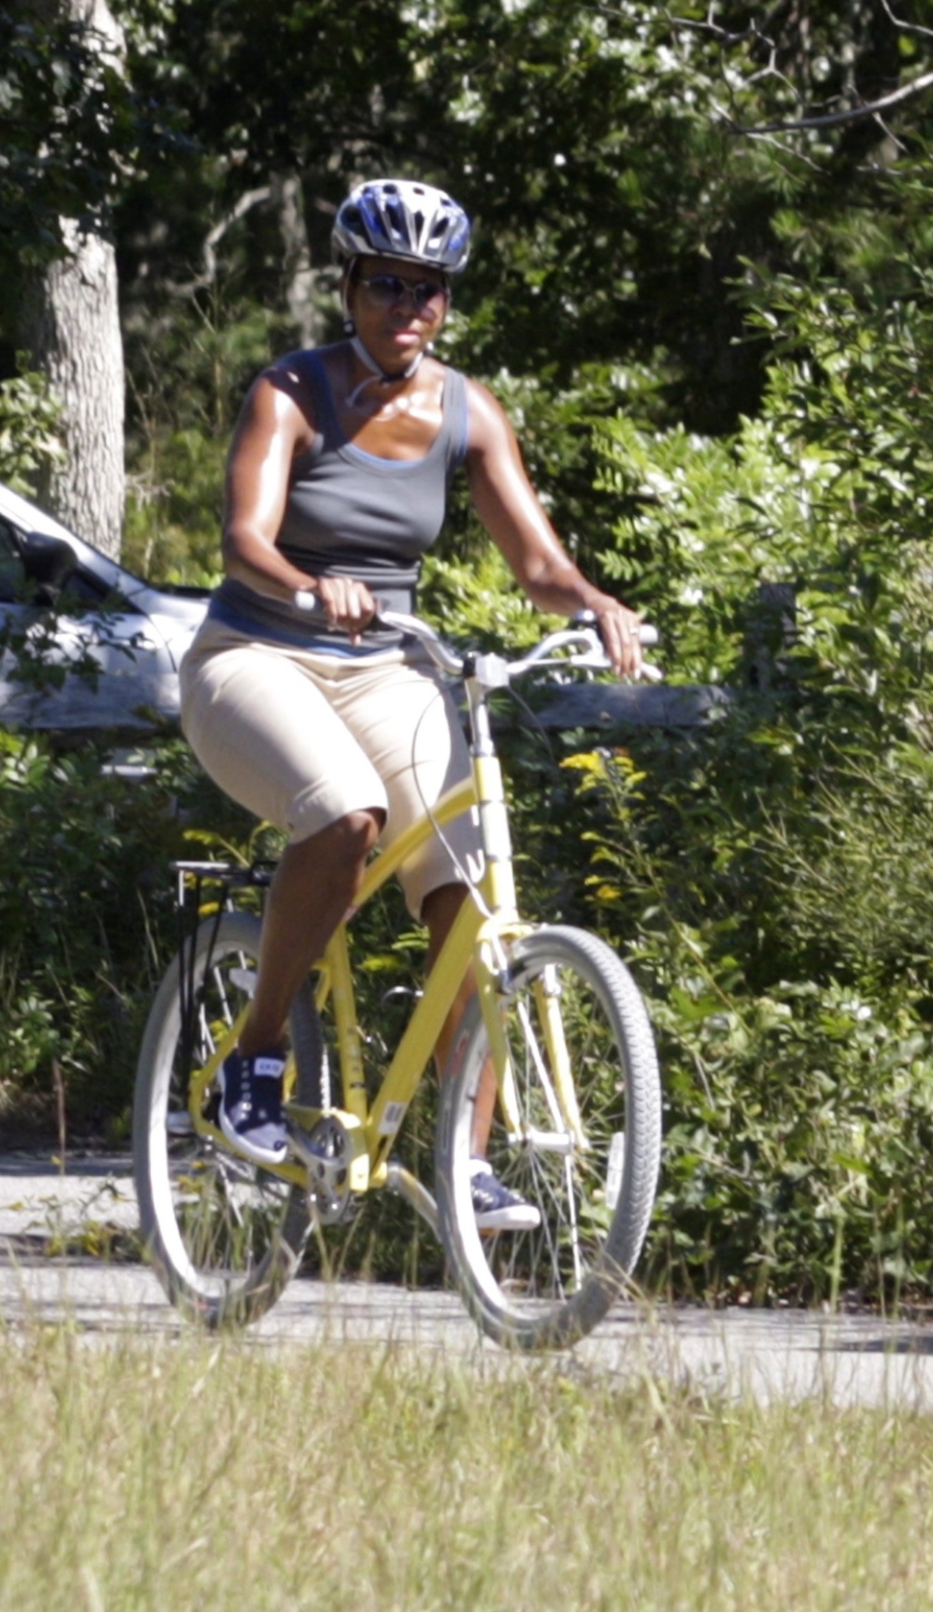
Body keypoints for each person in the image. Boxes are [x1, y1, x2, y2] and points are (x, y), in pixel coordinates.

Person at [179, 177, 644, 1230]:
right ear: (347, 287)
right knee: (346, 812)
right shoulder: (290, 392)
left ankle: (467, 1160)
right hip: (255, 652)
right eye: (387, 283)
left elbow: (536, 560)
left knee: (467, 892)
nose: (409, 306)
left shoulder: (467, 411)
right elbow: (245, 540)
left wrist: (593, 601)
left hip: (388, 665)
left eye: (429, 289)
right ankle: (254, 1064)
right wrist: (308, 586)